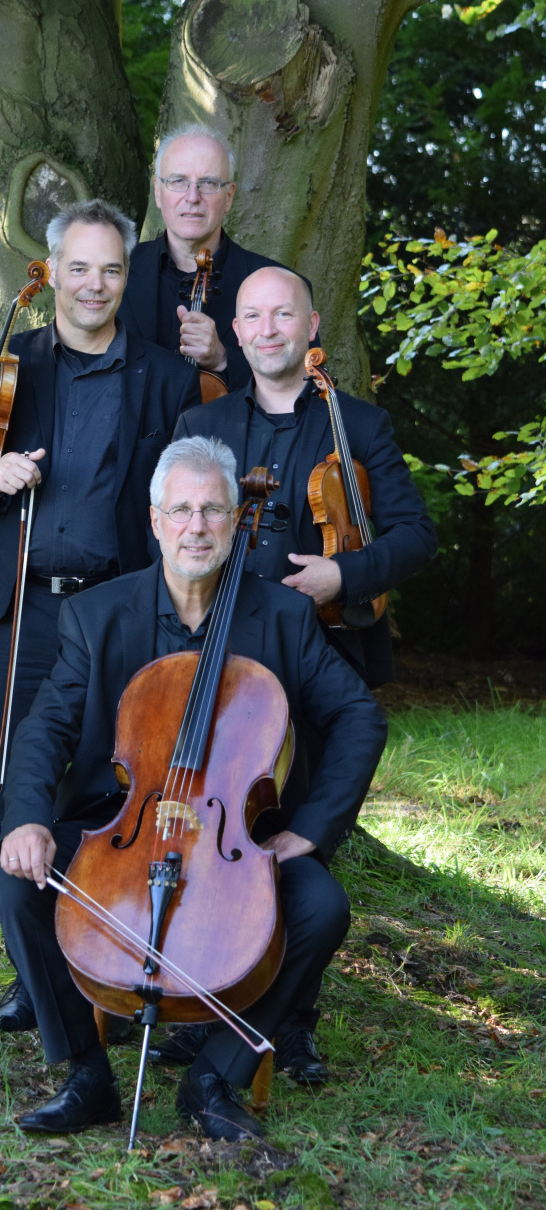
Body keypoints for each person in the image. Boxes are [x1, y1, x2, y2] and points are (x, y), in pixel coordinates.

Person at [0, 436, 387, 1139]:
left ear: (237, 521)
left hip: (236, 838)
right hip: (122, 824)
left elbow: (358, 715)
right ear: (154, 522)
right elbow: (42, 729)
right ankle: (86, 1074)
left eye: (212, 510)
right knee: (20, 884)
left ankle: (212, 1077)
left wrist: (315, 827)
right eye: (181, 510)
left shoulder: (282, 617)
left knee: (321, 907)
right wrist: (25, 818)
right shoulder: (97, 615)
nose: (196, 527)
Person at [0, 200, 201, 1031]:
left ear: (126, 276)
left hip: (120, 612)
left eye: (111, 269)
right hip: (25, 613)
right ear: (51, 277)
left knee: (114, 781)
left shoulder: (165, 376)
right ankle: (33, 971)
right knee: (25, 781)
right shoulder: (13, 364)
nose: (95, 284)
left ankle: (112, 958)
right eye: (78, 268)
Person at [169, 267, 437, 1081]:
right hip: (218, 653)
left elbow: (414, 535)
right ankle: (200, 990)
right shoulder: (203, 421)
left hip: (323, 653)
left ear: (309, 323)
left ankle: (293, 1017)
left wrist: (343, 577)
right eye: (251, 315)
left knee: (303, 844)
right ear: (236, 331)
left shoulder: (356, 423)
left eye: (282, 312)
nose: (267, 327)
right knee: (218, 831)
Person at [119, 124, 312, 389]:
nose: (192, 197)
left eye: (208, 183)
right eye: (178, 181)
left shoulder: (284, 287)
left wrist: (223, 359)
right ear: (158, 192)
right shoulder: (117, 270)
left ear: (229, 196)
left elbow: (305, 388)